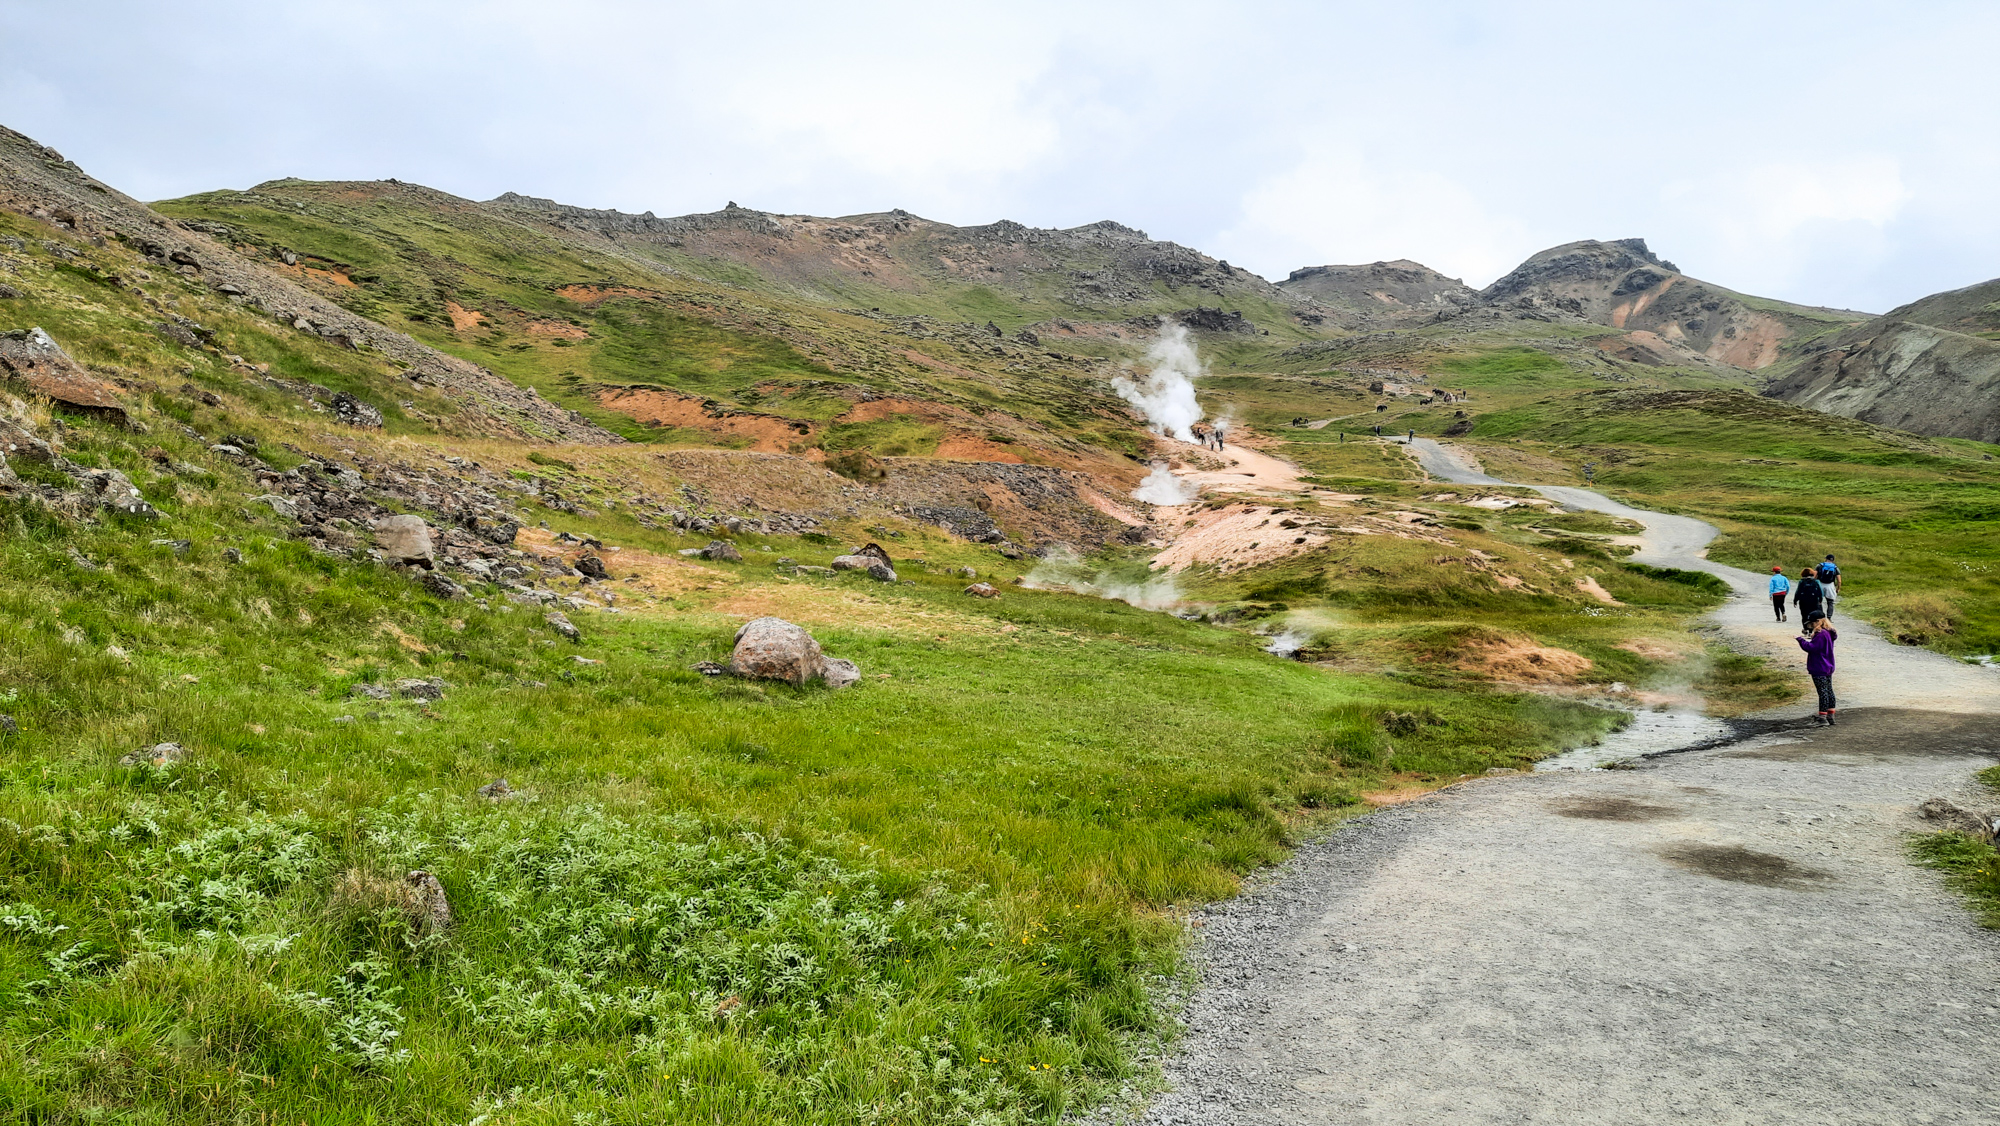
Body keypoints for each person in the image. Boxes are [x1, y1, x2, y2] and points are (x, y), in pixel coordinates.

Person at [1796, 615, 1838, 725]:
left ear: (1818, 621)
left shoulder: (1820, 634)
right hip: (1828, 665)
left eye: (1813, 623)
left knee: (1822, 692)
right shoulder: (1829, 632)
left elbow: (1811, 648)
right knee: (1829, 690)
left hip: (1819, 665)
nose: (1812, 625)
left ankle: (1822, 717)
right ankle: (1830, 715)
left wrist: (1800, 640)